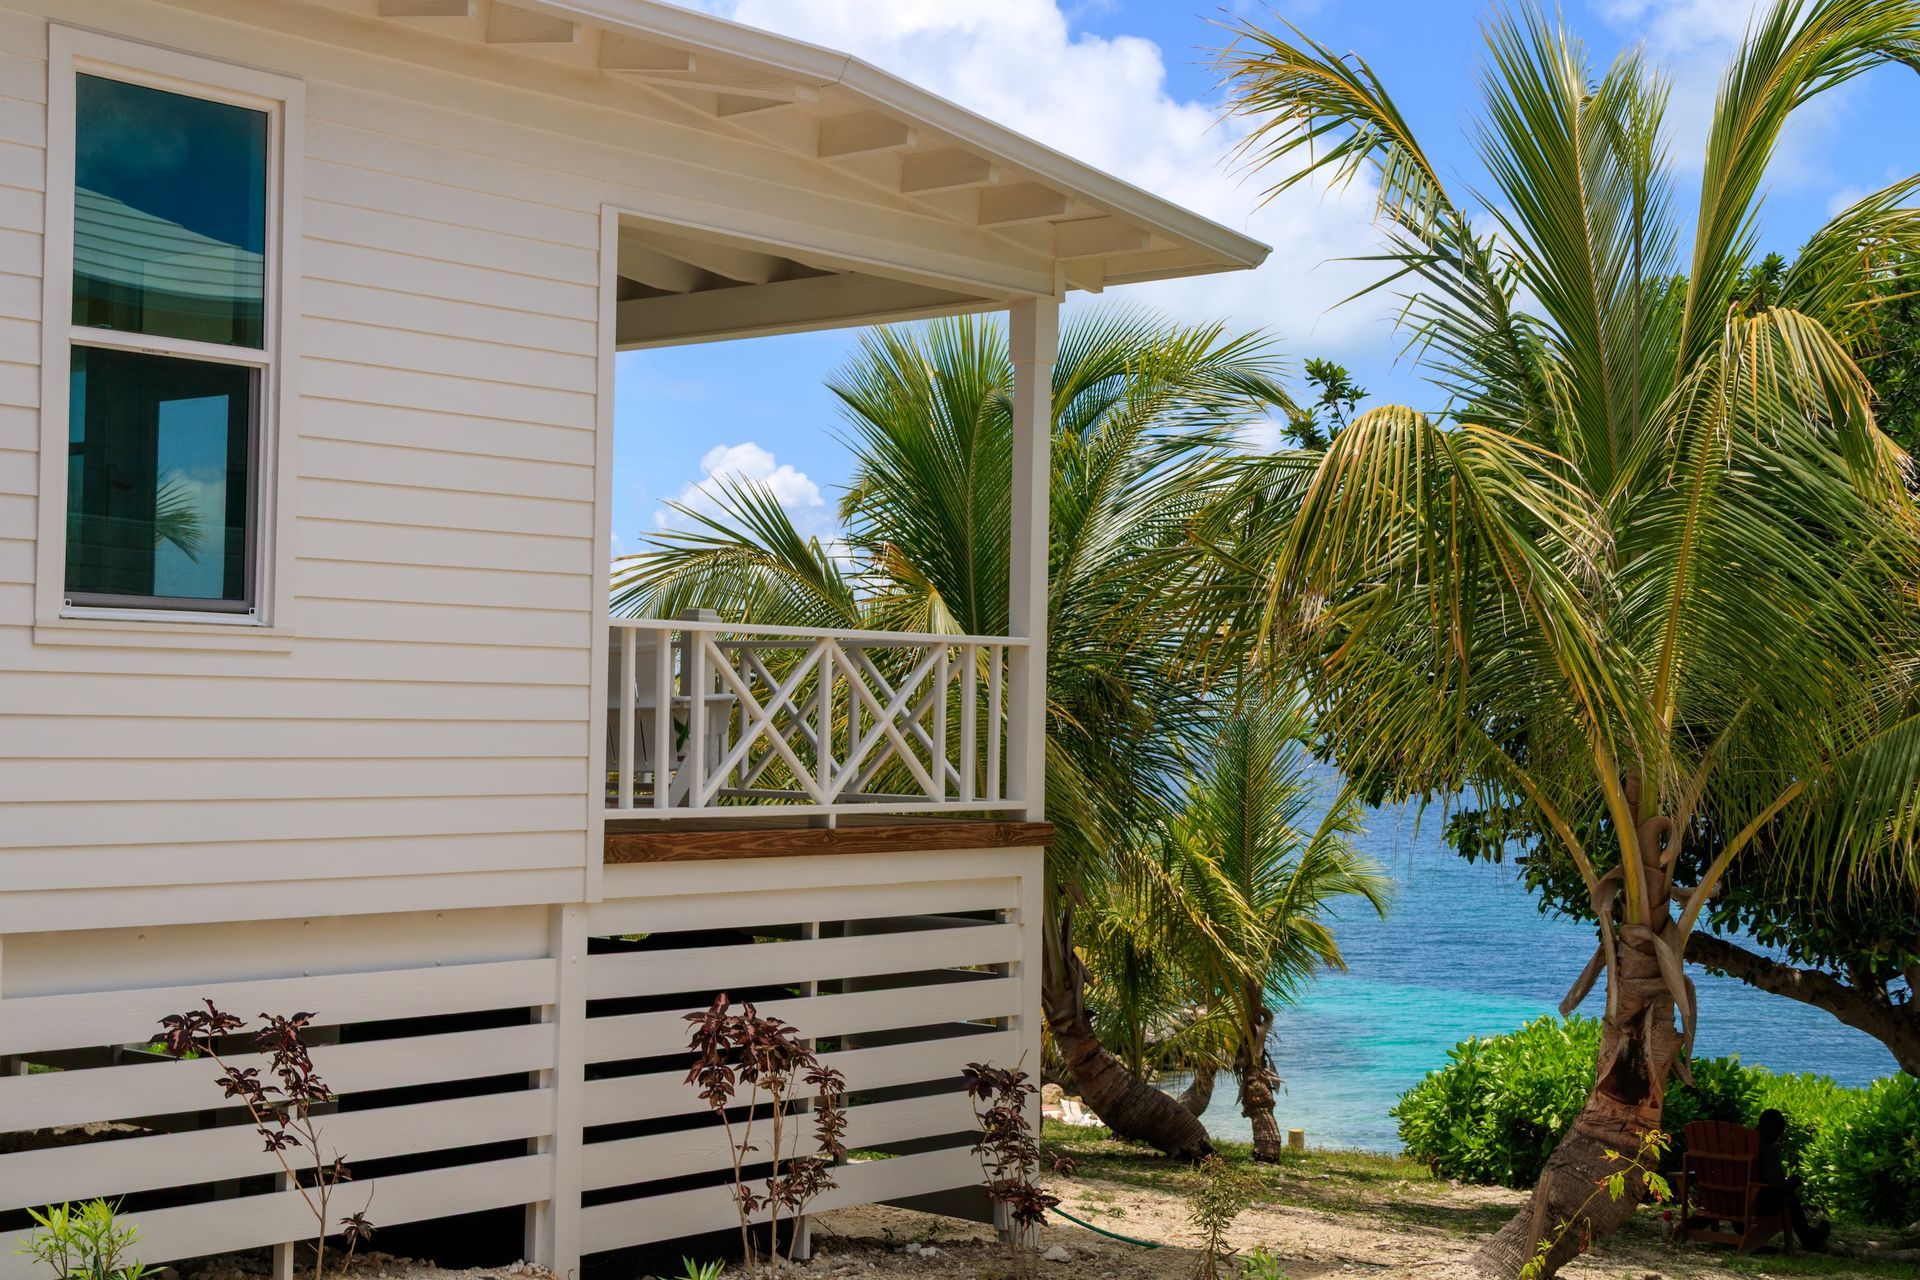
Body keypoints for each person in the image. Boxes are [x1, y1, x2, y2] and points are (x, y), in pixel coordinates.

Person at [1754, 1108, 1832, 1252]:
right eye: (1779, 1131)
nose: (1779, 1136)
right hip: (1754, 1203)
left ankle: (1808, 1236)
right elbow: (1778, 1186)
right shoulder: (1764, 1148)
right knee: (1789, 1197)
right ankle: (1808, 1238)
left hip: (1726, 1199)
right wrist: (1793, 1182)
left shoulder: (1741, 1142)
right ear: (1772, 1129)